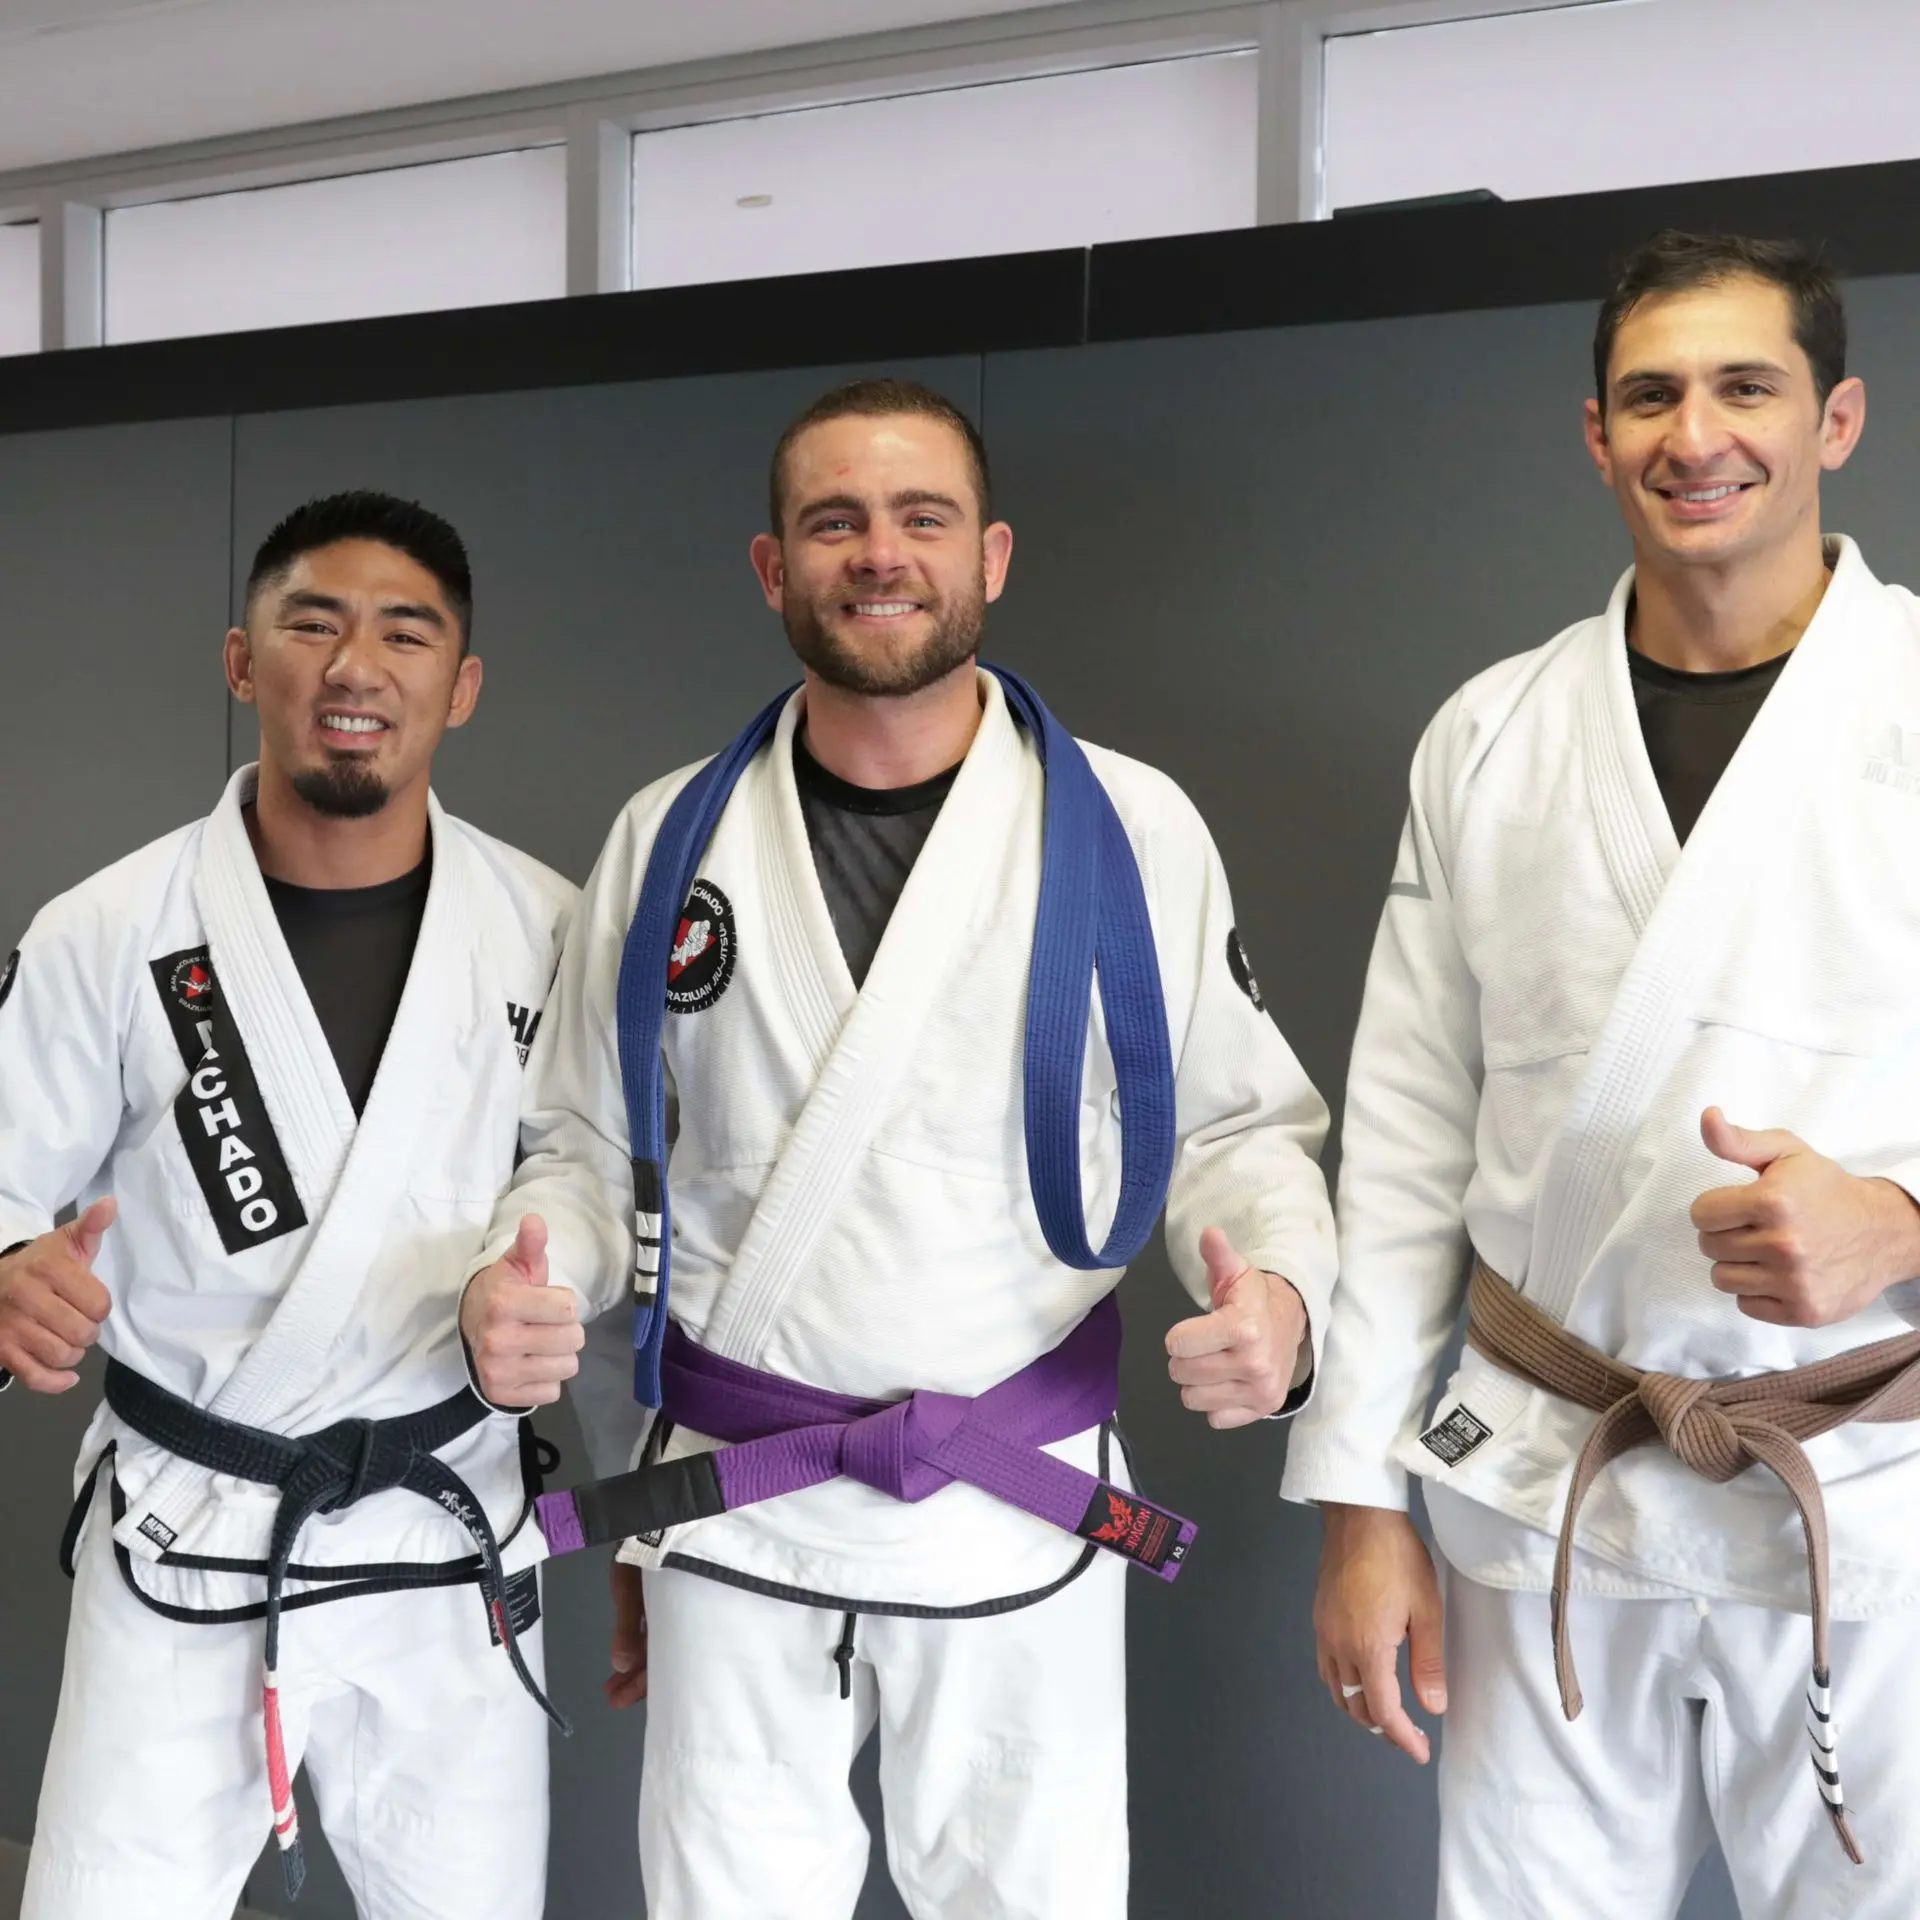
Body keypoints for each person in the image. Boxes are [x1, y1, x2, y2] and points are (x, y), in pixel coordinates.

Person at [460, 378, 1336, 1918]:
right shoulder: (672, 836)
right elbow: (585, 1146)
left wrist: (1275, 1291)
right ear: (770, 566)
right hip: (737, 1500)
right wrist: (541, 1268)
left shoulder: (1131, 828)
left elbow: (1241, 1126)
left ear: (989, 555)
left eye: (922, 517)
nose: (881, 553)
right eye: (835, 522)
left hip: (1018, 1493)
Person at [1282, 229, 1920, 1918]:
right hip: (1540, 1478)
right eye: (1649, 395)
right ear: (1594, 434)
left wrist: (1902, 1225)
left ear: (1837, 419)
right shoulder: (1492, 734)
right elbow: (1407, 1151)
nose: (1693, 434)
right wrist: (1359, 1505)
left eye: (1745, 387)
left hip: (1864, 1493)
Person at [0, 491, 576, 1920]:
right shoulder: (109, 931)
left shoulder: (550, 927)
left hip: (447, 1543)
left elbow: (598, 1187)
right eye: (310, 624)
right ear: (243, 662)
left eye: (404, 632)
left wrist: (556, 1295)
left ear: (464, 683)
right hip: (190, 1528)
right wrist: (8, 1266)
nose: (354, 667)